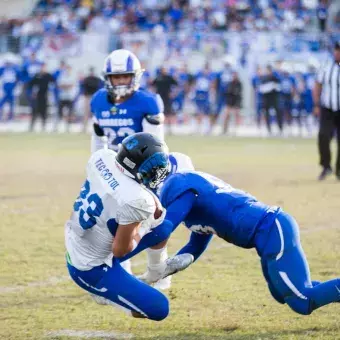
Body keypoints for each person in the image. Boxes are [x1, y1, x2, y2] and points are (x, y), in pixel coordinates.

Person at [129, 170, 340, 316]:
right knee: (282, 294)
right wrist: (165, 268)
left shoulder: (180, 187)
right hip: (268, 235)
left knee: (302, 300)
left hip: (272, 230)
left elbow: (165, 229)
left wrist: (121, 253)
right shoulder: (195, 203)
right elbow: (195, 246)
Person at [65, 133, 192, 321]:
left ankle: (156, 272)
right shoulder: (137, 199)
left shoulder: (102, 157)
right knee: (158, 308)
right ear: (135, 166)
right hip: (90, 268)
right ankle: (105, 295)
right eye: (153, 168)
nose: (158, 173)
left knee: (162, 226)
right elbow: (120, 250)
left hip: (80, 239)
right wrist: (144, 225)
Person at [90, 49, 167, 285]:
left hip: (142, 168)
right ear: (108, 78)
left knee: (154, 221)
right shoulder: (99, 100)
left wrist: (150, 176)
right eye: (117, 77)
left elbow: (157, 143)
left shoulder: (147, 101)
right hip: (114, 170)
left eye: (125, 76)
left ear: (134, 77)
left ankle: (159, 270)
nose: (121, 81)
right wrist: (97, 168)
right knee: (115, 223)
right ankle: (124, 276)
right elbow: (97, 139)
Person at [313, 41, 340, 181]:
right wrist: (316, 104)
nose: (337, 52)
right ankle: (326, 166)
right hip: (327, 108)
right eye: (336, 49)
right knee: (323, 136)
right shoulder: (326, 67)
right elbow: (317, 85)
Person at [28, 62, 55, 132]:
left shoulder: (48, 75)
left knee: (44, 111)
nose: (43, 69)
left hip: (45, 96)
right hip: (37, 96)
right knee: (35, 111)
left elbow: (54, 82)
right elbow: (31, 84)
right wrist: (33, 92)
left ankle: (43, 126)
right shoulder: (37, 75)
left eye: (44, 67)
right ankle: (32, 126)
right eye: (42, 67)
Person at [82, 67, 102, 132]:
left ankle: (98, 129)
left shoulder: (97, 79)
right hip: (87, 97)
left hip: (95, 97)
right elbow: (83, 87)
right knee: (86, 113)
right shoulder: (86, 79)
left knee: (96, 113)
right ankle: (84, 128)